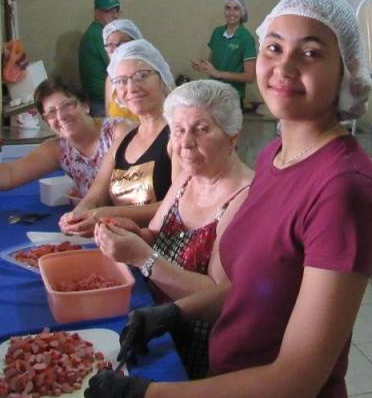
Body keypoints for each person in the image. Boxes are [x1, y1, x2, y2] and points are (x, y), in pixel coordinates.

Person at [86, 0, 372, 398]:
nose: (284, 67)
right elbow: (256, 286)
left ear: (346, 71)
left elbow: (296, 383)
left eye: (311, 52)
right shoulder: (274, 157)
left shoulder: (343, 190)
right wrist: (176, 311)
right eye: (274, 47)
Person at [94, 79, 253, 378]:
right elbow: (154, 236)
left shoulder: (245, 199)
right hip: (153, 325)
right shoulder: (188, 176)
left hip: (198, 351)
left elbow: (218, 300)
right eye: (178, 130)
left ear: (232, 138)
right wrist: (132, 233)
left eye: (201, 129)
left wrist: (142, 257)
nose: (186, 142)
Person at [0, 78, 128, 198]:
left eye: (67, 105)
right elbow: (10, 174)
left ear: (86, 105)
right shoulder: (60, 149)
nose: (61, 116)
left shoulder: (117, 132)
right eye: (51, 113)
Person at [60, 39, 175, 235]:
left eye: (141, 76)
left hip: (162, 247)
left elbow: (178, 205)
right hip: (121, 244)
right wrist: (79, 214)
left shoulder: (179, 136)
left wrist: (107, 214)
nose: (131, 87)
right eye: (121, 81)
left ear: (162, 78)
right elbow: (95, 196)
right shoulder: (124, 140)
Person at [192, 0, 257, 105]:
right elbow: (212, 62)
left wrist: (218, 73)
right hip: (213, 93)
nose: (231, 12)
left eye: (236, 9)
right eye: (228, 8)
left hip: (232, 97)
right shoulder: (217, 32)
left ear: (242, 12)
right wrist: (203, 67)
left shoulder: (246, 38)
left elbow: (250, 77)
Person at [78, 0, 122, 115]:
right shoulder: (98, 34)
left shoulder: (101, 31)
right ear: (97, 14)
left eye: (116, 10)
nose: (115, 16)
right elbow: (118, 66)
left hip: (104, 97)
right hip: (100, 101)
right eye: (109, 11)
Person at [102, 18, 142, 121]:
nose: (117, 49)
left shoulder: (150, 72)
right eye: (110, 45)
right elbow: (109, 118)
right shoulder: (110, 79)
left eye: (123, 42)